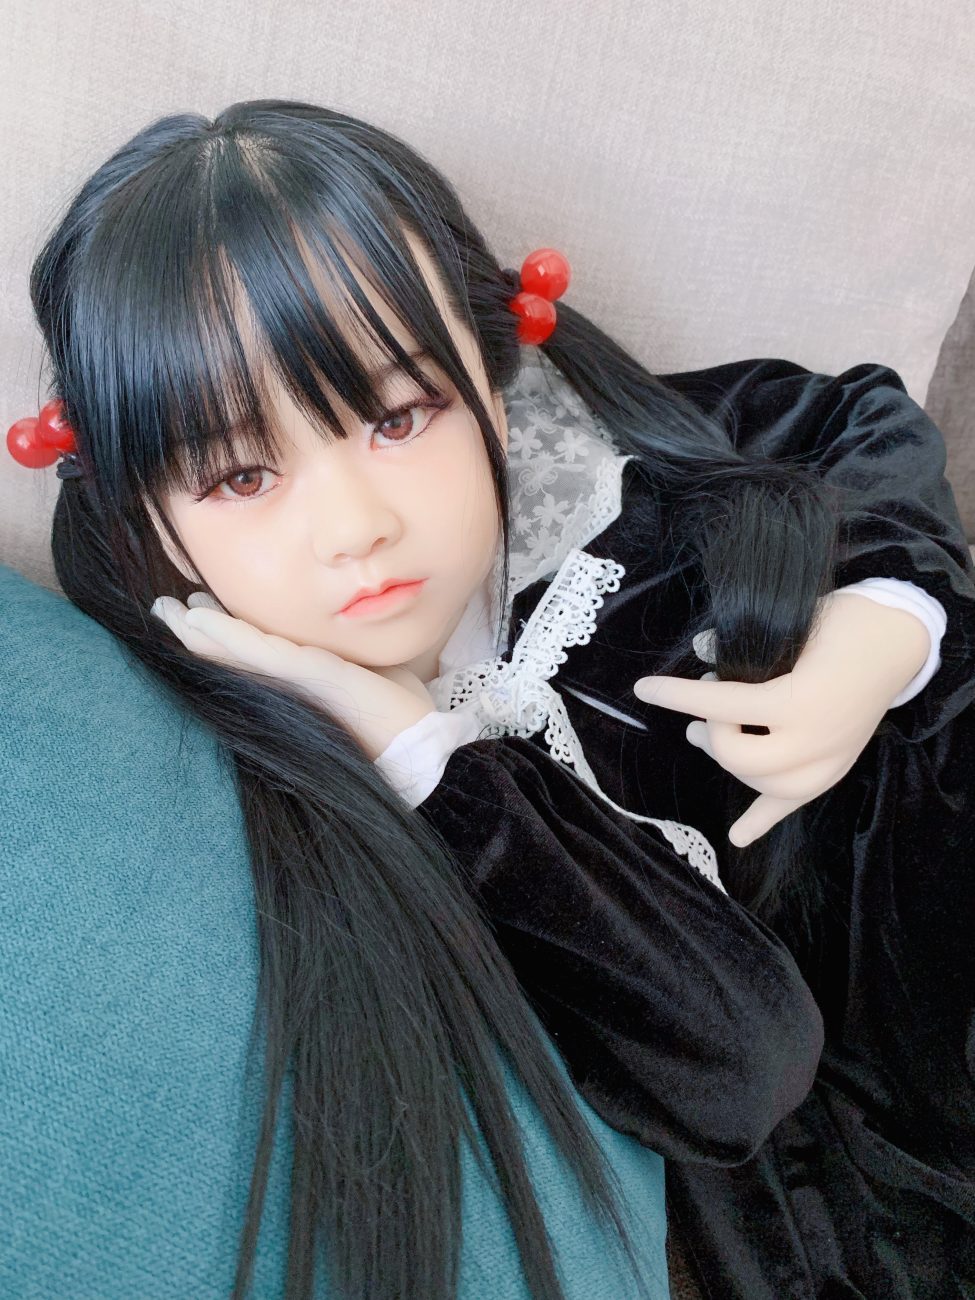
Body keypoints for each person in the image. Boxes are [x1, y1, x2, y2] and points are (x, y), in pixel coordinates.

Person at [8, 97, 971, 1298]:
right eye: (241, 475)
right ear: (149, 514)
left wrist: (885, 628)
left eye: (397, 416)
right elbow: (739, 1059)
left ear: (491, 364)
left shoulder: (601, 469)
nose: (355, 525)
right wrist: (419, 745)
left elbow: (853, 416)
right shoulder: (214, 737)